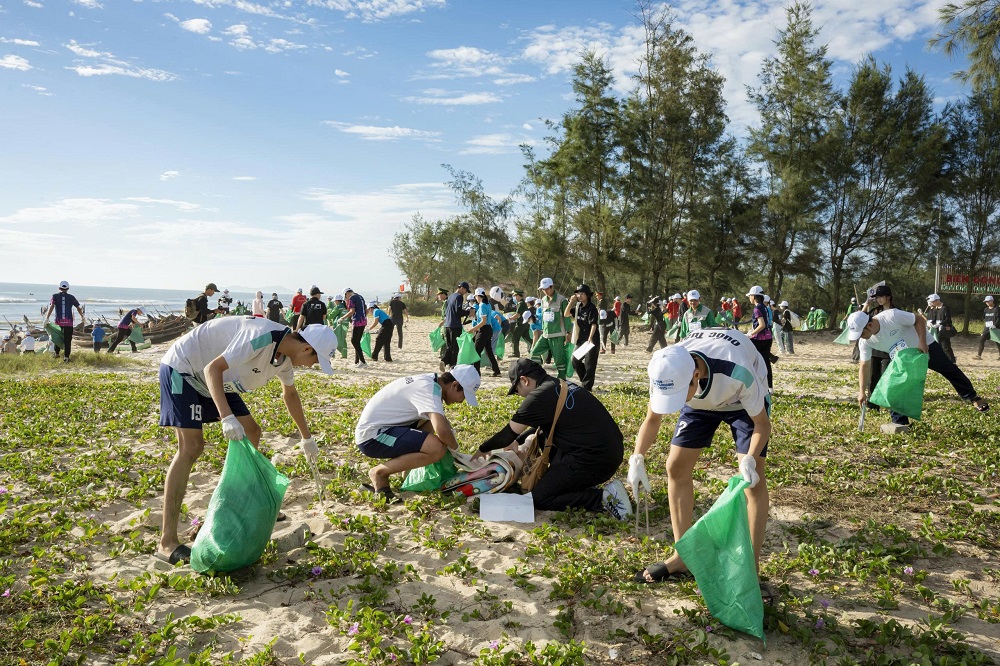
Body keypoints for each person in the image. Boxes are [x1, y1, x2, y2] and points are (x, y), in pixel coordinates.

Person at [156, 317, 336, 564]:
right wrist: (226, 417)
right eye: (316, 360)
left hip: (219, 380)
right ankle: (167, 542)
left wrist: (307, 438)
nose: (311, 365)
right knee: (192, 447)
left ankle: (228, 510)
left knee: (252, 431)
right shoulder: (260, 336)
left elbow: (290, 394)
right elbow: (212, 369)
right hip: (184, 369)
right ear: (306, 348)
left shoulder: (284, 359)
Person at [632, 336, 772, 603]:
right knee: (676, 467)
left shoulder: (738, 371)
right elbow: (652, 419)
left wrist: (750, 459)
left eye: (677, 395)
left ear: (695, 376)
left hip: (742, 403)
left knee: (753, 482)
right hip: (699, 405)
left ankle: (750, 571)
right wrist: (637, 457)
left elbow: (762, 425)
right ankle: (683, 556)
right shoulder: (666, 367)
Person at [476, 358, 629, 518]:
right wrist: (518, 440)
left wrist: (482, 450)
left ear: (524, 380)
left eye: (516, 390)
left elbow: (506, 435)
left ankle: (604, 498)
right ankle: (572, 483)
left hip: (594, 460)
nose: (519, 395)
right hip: (610, 452)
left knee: (540, 498)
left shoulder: (538, 397)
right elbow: (538, 428)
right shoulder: (558, 384)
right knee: (543, 437)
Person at [848, 286, 989, 433]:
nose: (860, 337)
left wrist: (922, 341)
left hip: (925, 346)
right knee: (895, 386)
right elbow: (864, 365)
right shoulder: (865, 341)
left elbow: (918, 320)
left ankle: (973, 397)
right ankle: (900, 422)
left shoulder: (892, 316)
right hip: (903, 357)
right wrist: (861, 392)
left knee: (949, 369)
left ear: (869, 325)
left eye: (860, 333)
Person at [355, 365, 481, 501]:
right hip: (372, 436)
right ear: (454, 385)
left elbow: (441, 423)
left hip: (385, 429)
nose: (461, 401)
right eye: (464, 396)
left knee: (430, 422)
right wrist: (458, 453)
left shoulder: (431, 382)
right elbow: (442, 431)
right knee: (436, 448)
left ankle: (405, 474)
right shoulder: (429, 390)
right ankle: (379, 473)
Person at [530, 278, 571, 379]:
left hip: (558, 335)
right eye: (543, 289)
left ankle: (562, 381)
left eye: (546, 289)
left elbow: (567, 317)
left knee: (559, 361)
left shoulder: (562, 300)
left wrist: (568, 332)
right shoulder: (543, 300)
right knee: (534, 353)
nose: (544, 291)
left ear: (552, 287)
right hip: (545, 334)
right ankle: (538, 375)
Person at [565, 284, 600, 390]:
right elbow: (566, 314)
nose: (580, 296)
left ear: (587, 295)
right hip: (581, 339)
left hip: (592, 339)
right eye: (578, 293)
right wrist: (571, 302)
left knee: (590, 364)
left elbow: (594, 324)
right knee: (575, 360)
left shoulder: (592, 308)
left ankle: (587, 387)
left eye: (582, 294)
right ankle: (585, 381)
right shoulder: (578, 307)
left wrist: (590, 338)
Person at [43, 280, 86, 362]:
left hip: (58, 322)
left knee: (57, 338)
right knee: (67, 340)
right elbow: (78, 307)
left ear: (59, 288)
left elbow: (52, 306)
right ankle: (66, 357)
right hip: (69, 323)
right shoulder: (72, 297)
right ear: (68, 288)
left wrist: (47, 318)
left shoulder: (54, 296)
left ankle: (57, 354)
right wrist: (82, 317)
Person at [746, 286, 774, 390]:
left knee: (751, 361)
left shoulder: (757, 308)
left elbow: (761, 325)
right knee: (766, 362)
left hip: (759, 339)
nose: (749, 298)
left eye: (750, 296)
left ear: (754, 296)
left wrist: (750, 334)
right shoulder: (765, 307)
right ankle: (769, 387)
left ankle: (753, 386)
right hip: (768, 337)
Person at [470, 288, 501, 377]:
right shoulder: (487, 304)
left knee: (476, 351)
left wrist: (473, 329)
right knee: (489, 352)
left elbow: (483, 321)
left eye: (475, 296)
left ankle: (476, 372)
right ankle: (497, 371)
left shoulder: (482, 305)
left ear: (477, 296)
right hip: (488, 329)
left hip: (483, 330)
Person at [440, 282, 471, 371]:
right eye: (466, 291)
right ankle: (452, 366)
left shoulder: (450, 297)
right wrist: (469, 312)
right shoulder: (459, 297)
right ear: (462, 288)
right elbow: (458, 311)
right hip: (455, 326)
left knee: (449, 347)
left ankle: (444, 361)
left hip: (447, 325)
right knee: (455, 348)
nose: (465, 293)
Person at [339, 288, 368, 368]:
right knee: (357, 341)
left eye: (346, 296)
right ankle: (357, 361)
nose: (346, 298)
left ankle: (363, 362)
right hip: (363, 321)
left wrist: (342, 318)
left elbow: (352, 311)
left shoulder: (352, 298)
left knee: (354, 341)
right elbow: (366, 310)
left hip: (357, 321)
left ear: (347, 293)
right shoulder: (360, 296)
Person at [925, 294, 956, 362]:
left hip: (944, 329)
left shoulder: (945, 307)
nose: (932, 303)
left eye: (933, 302)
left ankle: (952, 361)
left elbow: (948, 319)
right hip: (937, 329)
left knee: (946, 346)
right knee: (939, 345)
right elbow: (934, 319)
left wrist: (940, 324)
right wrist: (931, 323)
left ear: (937, 300)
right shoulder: (935, 309)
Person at [509, 290, 531, 358]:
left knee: (515, 337)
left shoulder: (521, 303)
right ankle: (535, 347)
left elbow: (518, 314)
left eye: (515, 296)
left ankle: (515, 353)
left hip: (520, 324)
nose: (514, 297)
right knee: (527, 338)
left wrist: (510, 318)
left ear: (518, 296)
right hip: (525, 324)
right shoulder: (522, 303)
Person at [978, 295, 999, 359]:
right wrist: (983, 331)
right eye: (986, 301)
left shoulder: (997, 309)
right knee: (982, 340)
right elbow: (985, 320)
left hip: (995, 329)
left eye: (988, 301)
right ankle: (979, 355)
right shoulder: (986, 309)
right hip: (987, 329)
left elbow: (999, 319)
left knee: (998, 342)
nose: (987, 302)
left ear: (992, 301)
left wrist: (995, 325)